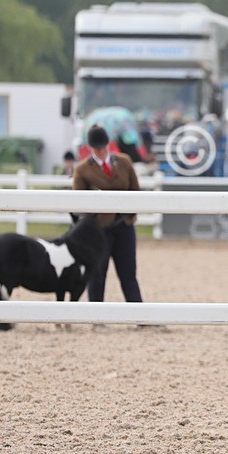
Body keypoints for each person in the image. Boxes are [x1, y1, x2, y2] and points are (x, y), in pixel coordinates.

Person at [73, 125, 144, 314]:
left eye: (104, 147)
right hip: (99, 229)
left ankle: (138, 314)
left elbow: (135, 190)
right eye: (97, 148)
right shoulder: (82, 170)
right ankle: (96, 316)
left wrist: (131, 212)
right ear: (90, 148)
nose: (102, 151)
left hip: (124, 225)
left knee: (128, 272)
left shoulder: (124, 162)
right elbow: (78, 202)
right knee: (97, 273)